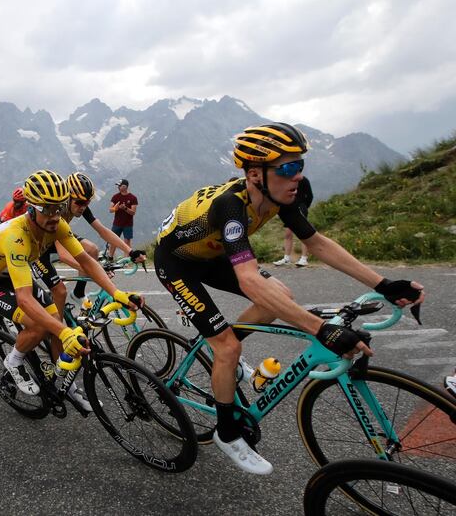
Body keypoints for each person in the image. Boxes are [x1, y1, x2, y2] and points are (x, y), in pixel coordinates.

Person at [153, 122, 424, 475]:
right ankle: (227, 430)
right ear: (254, 174)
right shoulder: (230, 206)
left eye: (300, 165)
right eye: (288, 168)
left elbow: (317, 244)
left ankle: (226, 352)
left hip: (212, 254)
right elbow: (249, 279)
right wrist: (320, 329)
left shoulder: (278, 196)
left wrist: (385, 283)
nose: (298, 176)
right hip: (177, 262)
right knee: (228, 349)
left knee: (280, 295)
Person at [0, 170, 142, 411]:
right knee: (41, 325)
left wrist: (117, 294)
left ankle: (63, 380)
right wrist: (65, 333)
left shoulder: (57, 224)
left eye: (58, 208)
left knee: (56, 320)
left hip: (11, 273)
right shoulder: (15, 235)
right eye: (47, 209)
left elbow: (85, 260)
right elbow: (24, 298)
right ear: (31, 207)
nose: (54, 215)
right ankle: (14, 360)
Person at [32, 172, 147, 311]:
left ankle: (78, 293)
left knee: (92, 249)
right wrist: (93, 271)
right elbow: (64, 255)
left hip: (59, 236)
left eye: (87, 203)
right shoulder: (56, 212)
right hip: (38, 249)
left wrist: (130, 251)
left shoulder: (80, 205)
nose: (83, 206)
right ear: (68, 198)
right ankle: (59, 332)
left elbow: (102, 230)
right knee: (60, 291)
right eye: (79, 202)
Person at [273, 176, 314, 267]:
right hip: (289, 207)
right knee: (288, 233)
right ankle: (286, 258)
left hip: (300, 207)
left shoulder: (303, 180)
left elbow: (310, 195)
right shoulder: (285, 179)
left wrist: (304, 206)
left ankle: (304, 258)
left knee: (304, 233)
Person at [108, 179, 138, 259]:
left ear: (125, 186)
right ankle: (110, 257)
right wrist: (116, 208)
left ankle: (126, 259)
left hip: (128, 224)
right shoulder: (115, 197)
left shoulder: (133, 198)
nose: (118, 187)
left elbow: (133, 212)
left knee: (127, 241)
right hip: (117, 223)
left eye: (119, 185)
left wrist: (125, 208)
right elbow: (110, 210)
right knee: (113, 240)